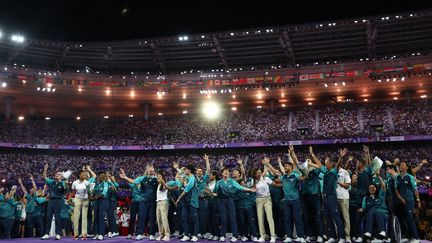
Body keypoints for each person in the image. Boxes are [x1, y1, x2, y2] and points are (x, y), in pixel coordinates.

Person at [309, 147, 347, 243]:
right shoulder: (325, 171)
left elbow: (338, 165)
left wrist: (340, 157)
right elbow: (318, 163)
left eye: (328, 161)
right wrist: (312, 154)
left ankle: (342, 237)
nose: (326, 162)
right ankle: (332, 237)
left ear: (331, 164)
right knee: (328, 217)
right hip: (325, 197)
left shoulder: (334, 172)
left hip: (331, 196)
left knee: (336, 217)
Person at [213, 167, 256, 242]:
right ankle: (222, 235)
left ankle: (235, 236)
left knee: (233, 218)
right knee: (223, 219)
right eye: (224, 171)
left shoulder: (232, 181)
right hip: (222, 202)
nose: (226, 172)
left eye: (227, 171)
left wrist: (250, 189)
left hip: (230, 201)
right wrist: (212, 194)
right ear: (222, 173)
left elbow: (240, 187)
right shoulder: (219, 182)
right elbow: (215, 192)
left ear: (229, 174)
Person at [120, 165, 158, 241]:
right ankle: (140, 234)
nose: (152, 172)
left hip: (153, 201)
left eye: (153, 171)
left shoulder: (156, 179)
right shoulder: (142, 178)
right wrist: (125, 177)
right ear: (147, 171)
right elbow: (133, 181)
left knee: (152, 218)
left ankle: (151, 234)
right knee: (142, 217)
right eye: (150, 171)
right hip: (143, 201)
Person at [278, 147, 306, 243]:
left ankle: (301, 236)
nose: (284, 167)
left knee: (297, 218)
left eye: (286, 166)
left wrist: (302, 170)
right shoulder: (284, 176)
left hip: (295, 200)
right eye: (284, 166)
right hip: (286, 200)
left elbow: (303, 178)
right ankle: (289, 236)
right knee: (287, 219)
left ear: (291, 167)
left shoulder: (295, 175)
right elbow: (276, 180)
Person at [395, 161, 422, 243]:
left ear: (406, 167)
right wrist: (399, 197)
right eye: (400, 165)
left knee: (409, 218)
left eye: (403, 165)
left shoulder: (410, 177)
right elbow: (396, 189)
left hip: (409, 200)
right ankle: (406, 236)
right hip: (401, 201)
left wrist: (418, 200)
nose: (401, 166)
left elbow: (415, 189)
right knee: (401, 219)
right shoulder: (398, 177)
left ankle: (416, 238)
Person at [41, 164, 68, 240]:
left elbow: (66, 189)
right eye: (56, 174)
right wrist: (45, 169)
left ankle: (58, 234)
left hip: (58, 201)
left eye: (59, 174)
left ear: (61, 177)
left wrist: (66, 180)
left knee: (57, 218)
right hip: (50, 201)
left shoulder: (62, 183)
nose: (57, 175)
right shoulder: (51, 182)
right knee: (48, 217)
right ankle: (47, 234)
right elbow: (45, 177)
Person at [358, 172, 388, 242]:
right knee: (370, 212)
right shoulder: (366, 198)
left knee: (375, 211)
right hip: (371, 213)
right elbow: (364, 207)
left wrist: (379, 177)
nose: (372, 189)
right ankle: (369, 232)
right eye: (370, 188)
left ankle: (382, 231)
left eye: (373, 187)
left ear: (376, 188)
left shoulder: (380, 195)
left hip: (381, 211)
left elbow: (383, 186)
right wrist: (361, 209)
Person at [175, 164, 200, 242]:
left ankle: (195, 235)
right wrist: (177, 170)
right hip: (185, 202)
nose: (185, 171)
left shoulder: (192, 179)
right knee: (184, 218)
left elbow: (187, 190)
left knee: (194, 219)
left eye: (186, 169)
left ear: (189, 170)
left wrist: (179, 198)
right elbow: (179, 184)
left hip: (192, 201)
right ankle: (186, 234)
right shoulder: (185, 177)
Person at [71, 166, 96, 240]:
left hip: (85, 200)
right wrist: (70, 200)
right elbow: (72, 192)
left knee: (84, 217)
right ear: (79, 175)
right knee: (76, 217)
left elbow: (89, 192)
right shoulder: (75, 182)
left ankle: (84, 234)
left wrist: (91, 196)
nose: (85, 175)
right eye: (83, 174)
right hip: (77, 199)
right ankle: (75, 234)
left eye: (85, 174)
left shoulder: (87, 182)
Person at [196, 154, 211, 239]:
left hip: (203, 200)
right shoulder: (193, 179)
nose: (199, 172)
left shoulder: (204, 178)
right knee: (196, 217)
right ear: (196, 172)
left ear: (202, 172)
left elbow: (208, 170)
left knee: (203, 217)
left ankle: (203, 232)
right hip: (196, 200)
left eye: (200, 171)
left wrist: (207, 160)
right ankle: (197, 232)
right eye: (198, 171)